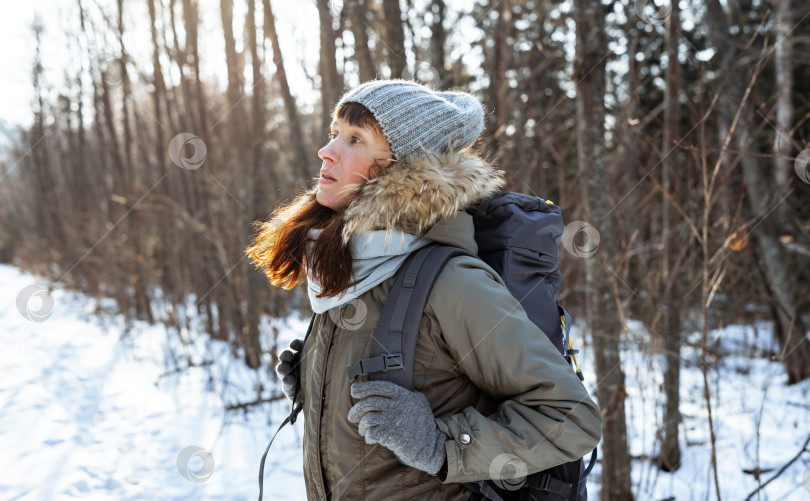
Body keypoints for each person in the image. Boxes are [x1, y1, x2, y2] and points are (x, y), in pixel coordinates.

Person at [246, 79, 602, 500]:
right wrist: (319, 385)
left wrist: (440, 445)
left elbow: (572, 417)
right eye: (334, 133)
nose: (327, 151)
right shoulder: (352, 268)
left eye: (355, 138)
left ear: (402, 168)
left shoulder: (453, 282)